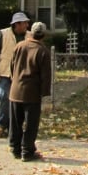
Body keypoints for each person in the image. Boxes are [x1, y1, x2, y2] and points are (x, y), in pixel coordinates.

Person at [8, 21, 52, 162]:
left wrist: (14, 80)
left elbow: (12, 66)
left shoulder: (19, 46)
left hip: (15, 91)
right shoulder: (43, 51)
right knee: (31, 124)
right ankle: (27, 151)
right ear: (43, 35)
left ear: (31, 32)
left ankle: (15, 149)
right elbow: (46, 76)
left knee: (15, 123)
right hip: (32, 93)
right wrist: (45, 96)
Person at [0, 11, 31, 139]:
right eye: (24, 23)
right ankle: (2, 125)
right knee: (4, 97)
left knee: (21, 101)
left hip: (23, 74)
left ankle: (16, 126)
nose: (27, 25)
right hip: (5, 73)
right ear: (16, 24)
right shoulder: (3, 34)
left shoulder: (30, 36)